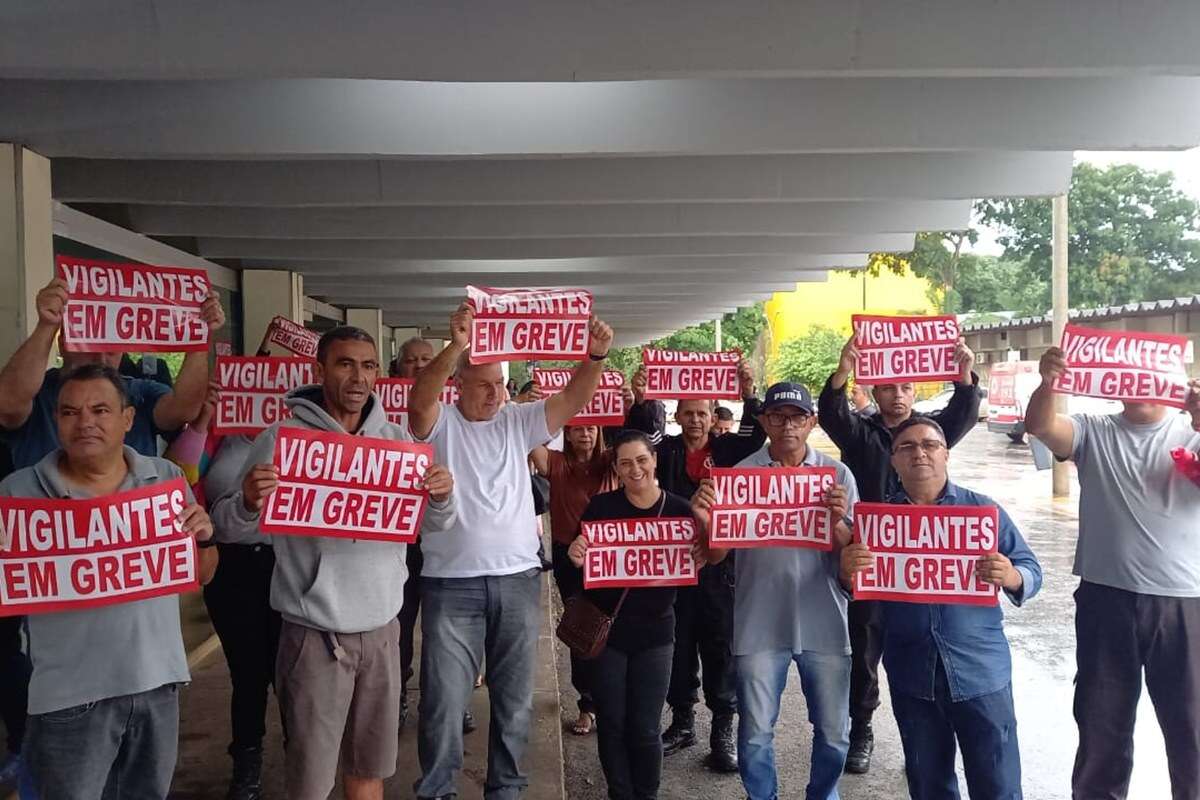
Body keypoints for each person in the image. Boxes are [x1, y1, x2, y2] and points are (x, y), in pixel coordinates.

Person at [231, 326, 458, 800]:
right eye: (345, 363)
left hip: (381, 633)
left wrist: (441, 497)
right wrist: (249, 503)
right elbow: (230, 528)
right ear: (320, 369)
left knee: (369, 769)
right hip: (314, 635)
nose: (359, 377)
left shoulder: (398, 443)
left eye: (369, 365)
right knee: (311, 779)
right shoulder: (282, 440)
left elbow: (433, 526)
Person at [408, 303, 614, 800]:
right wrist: (456, 344)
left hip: (519, 581)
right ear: (458, 384)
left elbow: (574, 397)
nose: (496, 393)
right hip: (449, 585)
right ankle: (437, 789)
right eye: (484, 384)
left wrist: (595, 356)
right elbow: (419, 400)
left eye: (500, 383)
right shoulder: (439, 425)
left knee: (515, 700)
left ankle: (506, 787)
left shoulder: (518, 421)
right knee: (442, 701)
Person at [0, 364, 216, 798]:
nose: (85, 423)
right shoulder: (18, 494)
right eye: (69, 412)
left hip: (156, 686)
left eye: (100, 410)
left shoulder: (166, 480)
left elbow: (201, 574)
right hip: (67, 699)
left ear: (127, 420)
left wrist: (204, 536)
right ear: (55, 419)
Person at [1025, 347, 1200, 800]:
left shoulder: (1190, 431)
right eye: (1129, 374)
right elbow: (1042, 427)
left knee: (1191, 730)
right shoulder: (1094, 429)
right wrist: (1049, 384)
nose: (1139, 382)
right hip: (1106, 599)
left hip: (1186, 603)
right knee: (1102, 727)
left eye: (1150, 374)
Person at [840, 417, 1042, 799]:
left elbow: (1032, 570)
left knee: (998, 783)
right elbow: (857, 589)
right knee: (928, 783)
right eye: (908, 447)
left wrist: (1012, 575)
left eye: (930, 445)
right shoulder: (877, 523)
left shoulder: (983, 511)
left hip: (981, 671)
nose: (920, 453)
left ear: (946, 454)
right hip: (912, 673)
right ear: (894, 460)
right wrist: (848, 573)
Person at [817, 333, 980, 774]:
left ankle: (929, 732)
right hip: (871, 559)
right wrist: (843, 370)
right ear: (875, 390)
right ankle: (862, 727)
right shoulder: (860, 433)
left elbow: (964, 414)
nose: (898, 395)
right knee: (866, 644)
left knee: (927, 640)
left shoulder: (929, 432)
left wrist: (965, 379)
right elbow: (831, 413)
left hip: (924, 559)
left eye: (906, 387)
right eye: (889, 387)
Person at [691, 382, 857, 800]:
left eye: (797, 418)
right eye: (779, 417)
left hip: (825, 621)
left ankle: (823, 794)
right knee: (754, 734)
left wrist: (837, 521)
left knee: (836, 734)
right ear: (764, 421)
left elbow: (857, 554)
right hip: (759, 621)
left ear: (811, 423)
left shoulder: (837, 477)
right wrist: (706, 520)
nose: (788, 426)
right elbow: (715, 555)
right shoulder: (740, 477)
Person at [626, 361, 764, 773]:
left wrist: (749, 393)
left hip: (719, 570)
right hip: (671, 567)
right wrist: (641, 397)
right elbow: (634, 441)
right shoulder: (663, 450)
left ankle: (723, 727)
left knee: (720, 647)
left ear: (711, 415)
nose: (695, 420)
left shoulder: (727, 450)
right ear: (677, 416)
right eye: (687, 412)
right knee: (678, 646)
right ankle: (682, 721)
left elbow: (757, 435)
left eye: (702, 412)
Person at [565, 430, 704, 800]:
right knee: (612, 724)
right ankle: (619, 793)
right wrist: (577, 555)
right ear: (616, 468)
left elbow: (706, 560)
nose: (635, 469)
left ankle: (647, 794)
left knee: (644, 728)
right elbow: (585, 565)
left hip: (656, 636)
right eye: (625, 463)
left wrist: (703, 550)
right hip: (608, 634)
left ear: (654, 460)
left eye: (641, 460)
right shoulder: (601, 508)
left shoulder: (680, 511)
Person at [166, 379, 279, 800]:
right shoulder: (218, 435)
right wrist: (202, 421)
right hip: (230, 567)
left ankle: (300, 752)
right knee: (248, 672)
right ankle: (246, 762)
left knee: (291, 671)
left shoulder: (297, 436)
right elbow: (178, 476)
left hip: (287, 565)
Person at [0, 277, 223, 470]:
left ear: (128, 417)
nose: (101, 360)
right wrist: (47, 325)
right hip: (49, 515)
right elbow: (7, 402)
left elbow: (183, 410)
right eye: (89, 347)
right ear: (63, 343)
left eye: (112, 350)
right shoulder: (37, 391)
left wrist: (199, 334)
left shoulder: (139, 392)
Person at [386, 337, 477, 735]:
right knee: (399, 628)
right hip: (398, 542)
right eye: (413, 362)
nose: (422, 367)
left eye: (429, 360)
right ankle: (397, 698)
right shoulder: (378, 417)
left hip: (447, 537)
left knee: (447, 633)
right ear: (396, 368)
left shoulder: (455, 414)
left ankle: (447, 702)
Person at [531, 424, 618, 736]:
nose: (586, 434)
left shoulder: (611, 461)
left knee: (613, 628)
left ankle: (611, 698)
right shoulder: (556, 462)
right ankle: (587, 704)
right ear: (566, 433)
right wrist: (532, 407)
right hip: (569, 556)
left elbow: (641, 448)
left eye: (592, 428)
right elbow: (528, 437)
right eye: (578, 429)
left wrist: (632, 402)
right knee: (582, 630)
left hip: (610, 554)